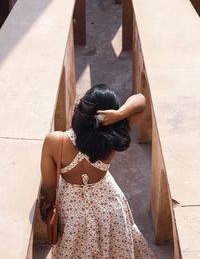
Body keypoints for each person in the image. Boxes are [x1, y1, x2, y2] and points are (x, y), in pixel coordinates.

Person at [40, 84, 155, 258]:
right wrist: (120, 115)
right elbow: (141, 100)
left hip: (74, 216)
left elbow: (49, 187)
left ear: (82, 110)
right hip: (111, 209)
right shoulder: (114, 134)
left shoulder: (55, 141)